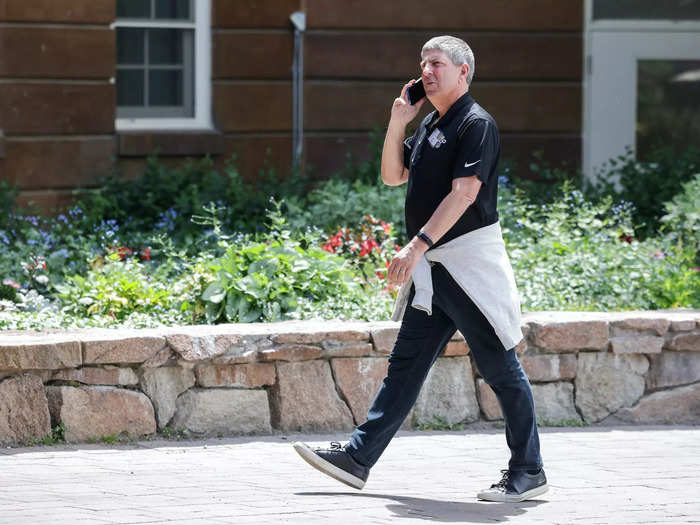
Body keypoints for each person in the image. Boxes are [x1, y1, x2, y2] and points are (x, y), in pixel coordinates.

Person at [293, 35, 547, 503]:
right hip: (436, 270)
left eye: (437, 64)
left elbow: (464, 194)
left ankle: (528, 470)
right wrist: (397, 121)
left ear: (463, 72)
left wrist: (416, 245)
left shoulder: (476, 124)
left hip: (468, 267)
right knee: (405, 366)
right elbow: (392, 174)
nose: (427, 71)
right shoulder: (431, 123)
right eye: (423, 64)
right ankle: (357, 459)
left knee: (500, 368)